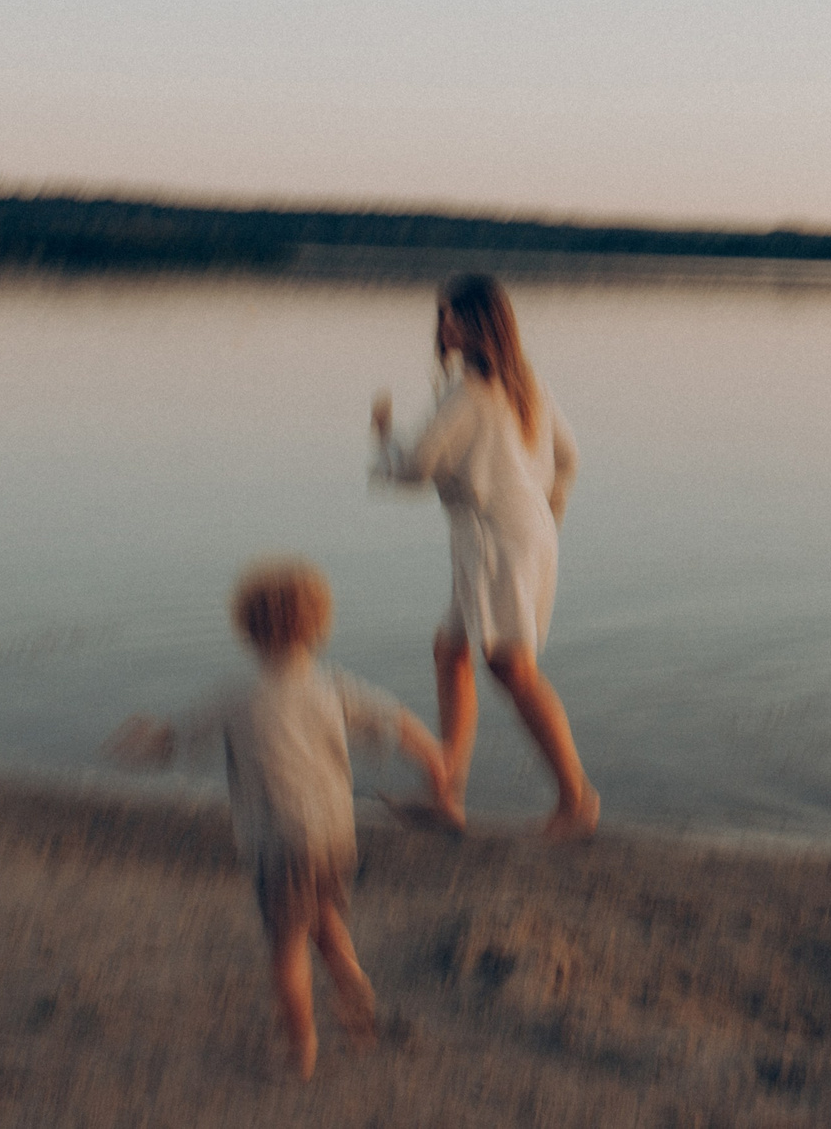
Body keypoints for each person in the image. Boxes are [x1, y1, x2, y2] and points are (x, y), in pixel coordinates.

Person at [106, 557, 450, 1078]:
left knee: (286, 945)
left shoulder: (233, 695)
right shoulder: (334, 686)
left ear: (245, 627)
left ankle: (302, 1044)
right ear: (319, 624)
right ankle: (351, 981)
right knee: (327, 917)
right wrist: (438, 768)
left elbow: (173, 741)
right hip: (336, 834)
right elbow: (398, 722)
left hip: (277, 840)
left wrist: (135, 742)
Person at [371, 272, 598, 840]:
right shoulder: (526, 384)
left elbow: (419, 465)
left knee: (509, 666)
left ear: (480, 322)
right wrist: (548, 518)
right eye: (441, 313)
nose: (442, 323)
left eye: (452, 313)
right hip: (509, 534)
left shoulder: (469, 391)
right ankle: (447, 794)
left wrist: (382, 438)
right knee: (450, 651)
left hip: (497, 539)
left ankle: (577, 799)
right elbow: (568, 458)